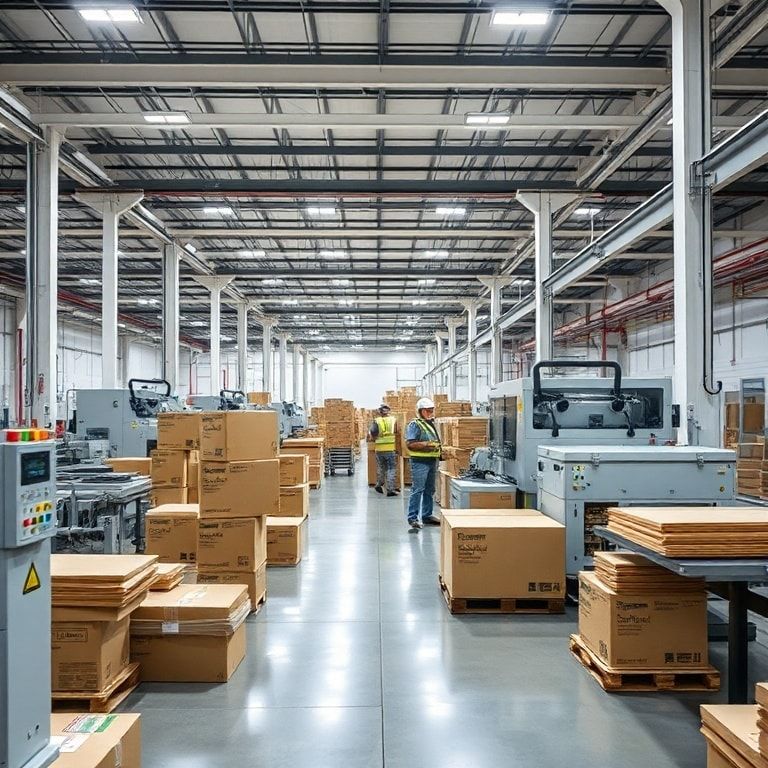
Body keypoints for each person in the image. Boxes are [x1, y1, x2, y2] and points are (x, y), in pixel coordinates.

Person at [404, 397, 442, 531]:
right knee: (418, 489)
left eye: (431, 410)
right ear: (420, 411)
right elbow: (410, 444)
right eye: (427, 411)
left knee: (429, 490)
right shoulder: (415, 424)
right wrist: (426, 444)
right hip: (420, 462)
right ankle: (413, 518)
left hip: (432, 461)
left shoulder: (430, 424)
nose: (430, 413)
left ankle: (427, 515)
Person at [369, 404, 399, 497]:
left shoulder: (376, 421)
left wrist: (376, 438)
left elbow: (373, 433)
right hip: (390, 448)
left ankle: (379, 484)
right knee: (391, 468)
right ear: (388, 411)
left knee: (381, 467)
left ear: (380, 412)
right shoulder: (393, 420)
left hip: (379, 449)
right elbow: (397, 431)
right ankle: (390, 489)